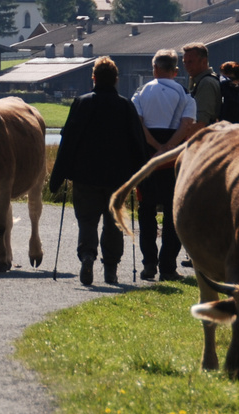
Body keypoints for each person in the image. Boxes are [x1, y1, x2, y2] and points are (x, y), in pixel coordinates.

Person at [48, 56, 152, 285]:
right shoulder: (126, 106)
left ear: (93, 78)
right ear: (116, 80)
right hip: (118, 177)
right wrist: (142, 180)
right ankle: (111, 268)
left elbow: (69, 141)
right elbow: (137, 144)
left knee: (87, 220)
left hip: (85, 175)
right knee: (113, 221)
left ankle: (87, 256)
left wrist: (57, 178)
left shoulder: (82, 103)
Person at [131, 49, 196, 280]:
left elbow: (138, 125)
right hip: (174, 163)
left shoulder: (140, 94)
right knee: (172, 215)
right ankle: (168, 266)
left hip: (147, 162)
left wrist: (155, 146)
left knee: (146, 212)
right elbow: (187, 125)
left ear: (154, 68)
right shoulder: (186, 96)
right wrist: (168, 147)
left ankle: (149, 263)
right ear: (175, 71)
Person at [183, 43, 222, 128]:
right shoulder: (207, 80)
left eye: (190, 62)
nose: (186, 66)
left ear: (204, 61)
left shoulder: (206, 83)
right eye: (185, 62)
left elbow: (201, 123)